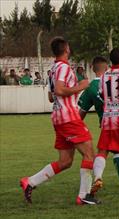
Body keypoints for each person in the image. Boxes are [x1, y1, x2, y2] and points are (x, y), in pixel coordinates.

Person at [20, 37, 100, 205]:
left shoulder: (53, 69)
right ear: (67, 49)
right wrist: (81, 86)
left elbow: (51, 96)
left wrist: (69, 90)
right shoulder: (63, 67)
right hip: (68, 117)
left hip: (58, 117)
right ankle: (84, 196)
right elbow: (59, 90)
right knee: (89, 154)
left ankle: (30, 181)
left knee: (65, 162)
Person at [78, 56, 119, 188]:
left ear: (92, 68)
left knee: (107, 150)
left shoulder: (93, 86)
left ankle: (109, 178)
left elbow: (82, 111)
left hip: (107, 120)